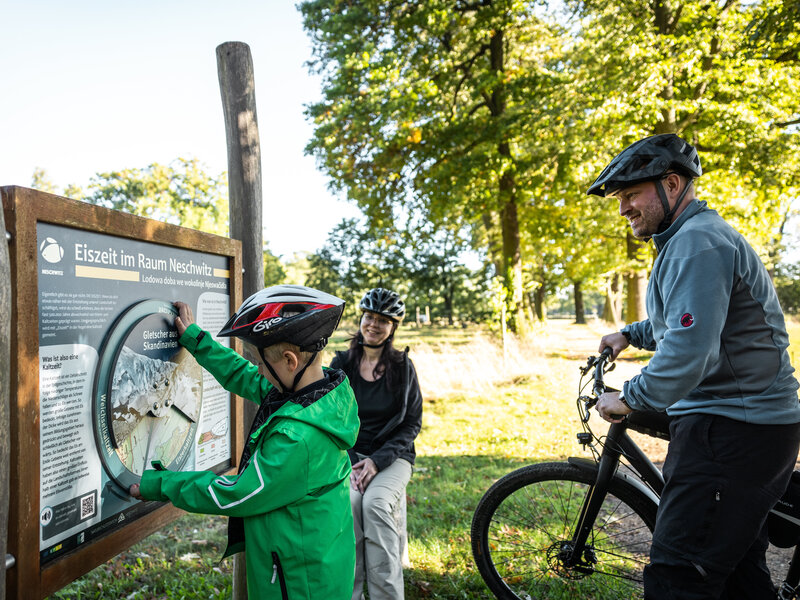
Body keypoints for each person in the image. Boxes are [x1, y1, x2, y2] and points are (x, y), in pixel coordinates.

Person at [588, 133, 800, 599]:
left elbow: (689, 353)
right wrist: (630, 334)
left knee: (678, 576)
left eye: (630, 195)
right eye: (620, 198)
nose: (623, 208)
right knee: (738, 574)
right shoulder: (688, 240)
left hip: (733, 430)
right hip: (742, 423)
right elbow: (684, 321)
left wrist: (628, 398)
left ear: (671, 183)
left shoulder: (697, 243)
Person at [128, 284, 360, 599]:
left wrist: (161, 485)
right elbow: (243, 375)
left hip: (300, 582)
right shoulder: (318, 395)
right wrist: (197, 341)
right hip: (311, 554)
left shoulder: (298, 439)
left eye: (262, 362)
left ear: (290, 361)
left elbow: (238, 493)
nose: (259, 370)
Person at [330, 288, 423, 600]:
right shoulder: (341, 364)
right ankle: (351, 593)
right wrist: (356, 459)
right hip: (349, 455)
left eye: (383, 320)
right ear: (361, 319)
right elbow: (332, 418)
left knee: (376, 504)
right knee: (352, 504)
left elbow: (411, 423)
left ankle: (386, 594)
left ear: (392, 327)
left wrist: (375, 461)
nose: (374, 324)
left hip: (392, 457)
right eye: (369, 317)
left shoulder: (402, 367)